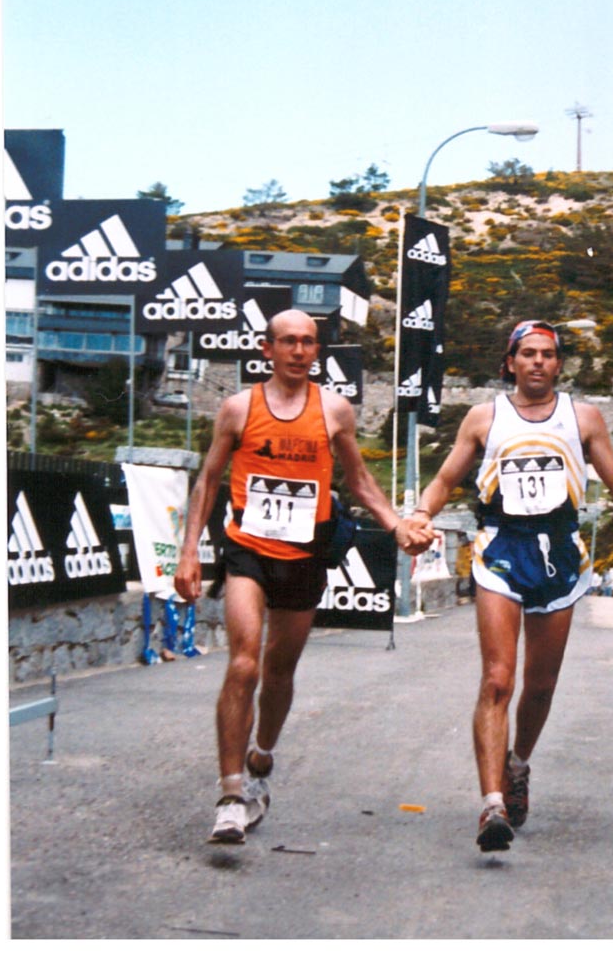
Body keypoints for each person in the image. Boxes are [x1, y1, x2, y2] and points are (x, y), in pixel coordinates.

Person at [396, 320, 613, 853]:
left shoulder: (583, 418)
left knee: (540, 685)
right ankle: (492, 802)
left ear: (558, 364)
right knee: (498, 678)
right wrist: (420, 515)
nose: (538, 362)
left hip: (560, 551)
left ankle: (518, 765)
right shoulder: (484, 417)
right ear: (511, 362)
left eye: (547, 354)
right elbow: (448, 477)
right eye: (528, 354)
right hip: (501, 548)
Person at [175, 309, 413, 845]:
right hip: (248, 552)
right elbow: (208, 481)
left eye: (309, 342)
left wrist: (396, 525)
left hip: (304, 556)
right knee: (243, 663)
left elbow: (359, 480)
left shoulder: (334, 411)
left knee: (279, 671)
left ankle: (262, 757)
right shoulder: (239, 408)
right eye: (289, 342)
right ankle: (231, 794)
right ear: (268, 349)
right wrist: (189, 552)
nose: (300, 351)